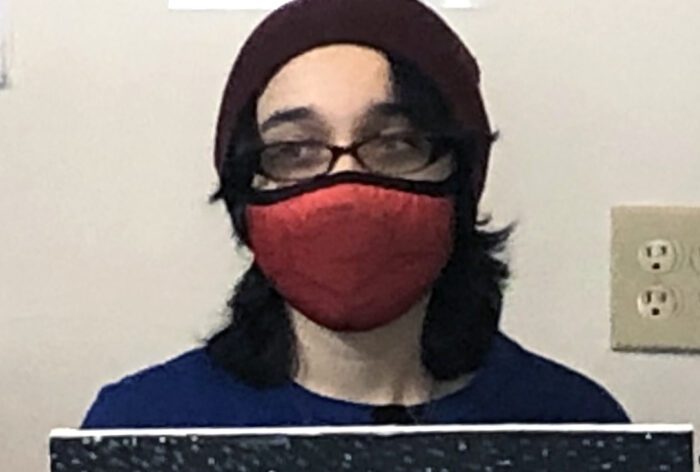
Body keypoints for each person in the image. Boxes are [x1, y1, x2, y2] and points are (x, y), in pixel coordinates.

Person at [81, 0, 629, 428]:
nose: (344, 186)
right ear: (245, 187)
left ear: (460, 174)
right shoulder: (142, 428)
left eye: (393, 143)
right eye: (295, 150)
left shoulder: (575, 426)